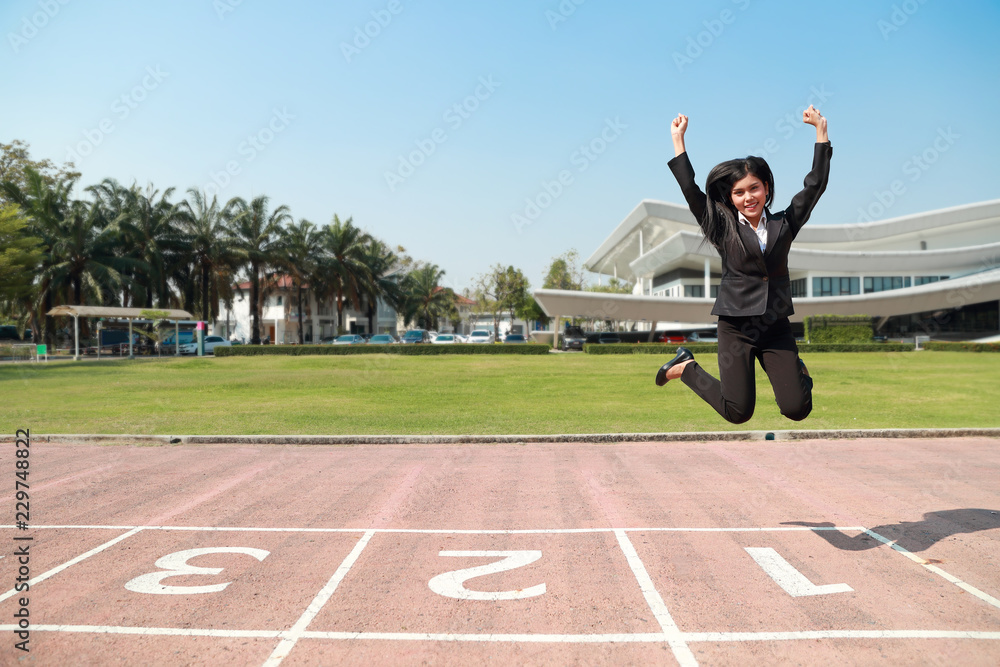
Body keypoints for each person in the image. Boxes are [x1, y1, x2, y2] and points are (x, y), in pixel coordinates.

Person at [655, 106, 831, 423]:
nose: (748, 197)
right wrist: (678, 141)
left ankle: (798, 372)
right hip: (736, 328)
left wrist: (821, 132)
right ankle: (685, 367)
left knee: (797, 408)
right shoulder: (722, 227)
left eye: (754, 188)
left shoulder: (784, 224)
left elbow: (814, 185)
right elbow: (691, 191)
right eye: (739, 192)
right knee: (737, 411)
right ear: (731, 198)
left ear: (766, 188)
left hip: (775, 326)